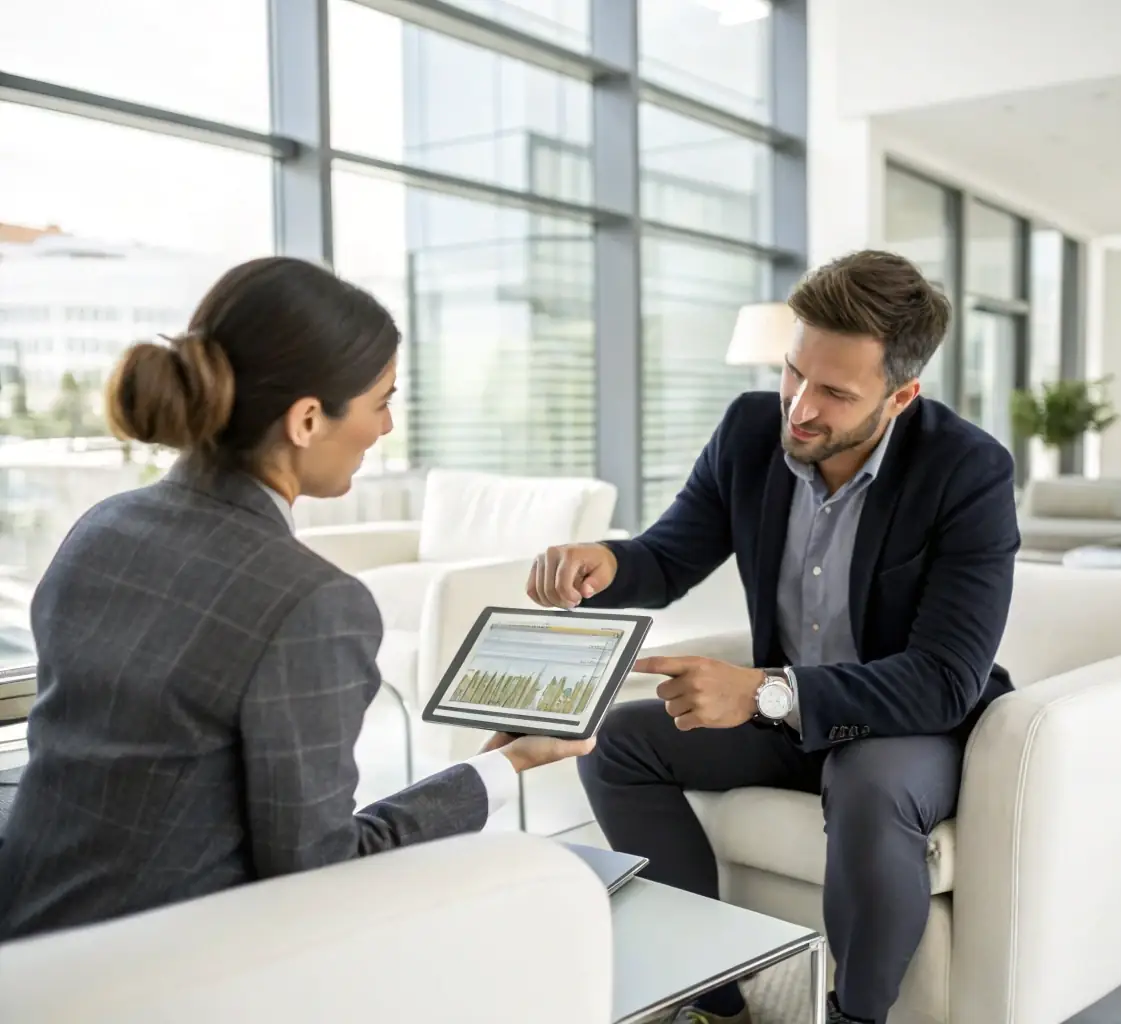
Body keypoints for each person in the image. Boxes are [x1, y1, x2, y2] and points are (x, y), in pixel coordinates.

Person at [0, 256, 591, 942]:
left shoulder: (100, 529)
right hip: (161, 966)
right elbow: (319, 876)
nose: (385, 429)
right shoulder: (311, 602)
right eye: (382, 402)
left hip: (28, 929)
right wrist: (503, 766)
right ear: (307, 419)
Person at [528, 250, 1020, 1024]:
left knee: (869, 783)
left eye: (832, 392)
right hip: (785, 715)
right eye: (793, 373)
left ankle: (855, 1017)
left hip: (905, 723)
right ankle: (709, 992)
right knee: (619, 745)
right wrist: (602, 562)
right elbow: (667, 557)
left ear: (900, 397)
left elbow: (944, 677)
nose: (798, 407)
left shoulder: (968, 470)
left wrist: (761, 690)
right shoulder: (749, 429)